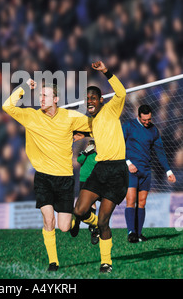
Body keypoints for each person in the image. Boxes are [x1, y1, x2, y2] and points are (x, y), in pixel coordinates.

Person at [2, 78, 96, 272]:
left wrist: (88, 132)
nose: (41, 98)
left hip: (64, 178)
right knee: (48, 220)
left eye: (45, 95)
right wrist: (25, 87)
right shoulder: (31, 116)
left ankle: (91, 221)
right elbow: (7, 105)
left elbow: (95, 125)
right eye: (39, 95)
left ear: (56, 99)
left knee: (64, 227)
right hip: (43, 177)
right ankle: (54, 262)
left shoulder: (70, 117)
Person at [70, 60, 128, 273]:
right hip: (100, 169)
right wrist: (81, 135)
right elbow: (96, 133)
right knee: (79, 210)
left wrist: (106, 71)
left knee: (105, 221)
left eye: (93, 98)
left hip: (117, 172)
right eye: (87, 100)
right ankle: (93, 223)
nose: (90, 101)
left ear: (101, 100)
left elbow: (121, 93)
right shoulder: (92, 121)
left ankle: (106, 262)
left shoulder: (112, 109)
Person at [122, 104, 176, 243]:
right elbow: (119, 146)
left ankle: (139, 233)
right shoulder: (128, 126)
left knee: (142, 202)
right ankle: (131, 232)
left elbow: (160, 151)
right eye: (144, 120)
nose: (147, 122)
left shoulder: (153, 130)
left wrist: (168, 171)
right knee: (131, 200)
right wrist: (128, 163)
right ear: (138, 116)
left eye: (149, 119)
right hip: (131, 170)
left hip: (146, 171)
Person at [74, 138, 100, 244]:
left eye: (92, 145)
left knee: (92, 202)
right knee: (81, 202)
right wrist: (85, 152)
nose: (91, 146)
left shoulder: (97, 156)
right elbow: (79, 160)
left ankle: (94, 227)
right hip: (82, 180)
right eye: (89, 144)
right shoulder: (83, 154)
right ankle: (77, 222)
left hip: (93, 181)